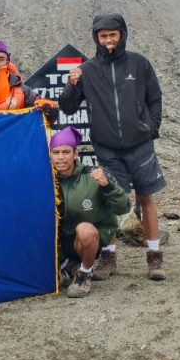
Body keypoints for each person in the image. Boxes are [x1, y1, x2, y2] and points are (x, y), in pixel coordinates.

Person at [58, 13, 168, 280]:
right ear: (96, 38)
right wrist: (71, 86)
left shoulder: (139, 63)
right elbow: (67, 107)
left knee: (146, 197)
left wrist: (151, 128)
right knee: (108, 203)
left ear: (122, 35)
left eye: (112, 35)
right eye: (103, 36)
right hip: (106, 147)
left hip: (139, 144)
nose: (108, 40)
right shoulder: (87, 70)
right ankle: (109, 256)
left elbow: (154, 97)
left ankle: (154, 257)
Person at [51, 127, 130, 298]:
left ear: (76, 153)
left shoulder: (93, 176)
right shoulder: (45, 179)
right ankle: (67, 265)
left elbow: (123, 207)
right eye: (55, 152)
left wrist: (107, 186)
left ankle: (84, 273)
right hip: (61, 243)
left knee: (84, 229)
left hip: (90, 238)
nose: (61, 157)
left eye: (66, 152)